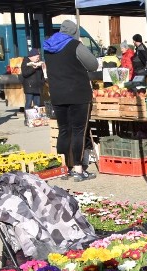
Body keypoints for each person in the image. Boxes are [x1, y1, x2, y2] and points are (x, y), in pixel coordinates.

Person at [43, 20, 98, 182]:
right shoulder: (75, 45)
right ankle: (78, 169)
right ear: (74, 32)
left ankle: (64, 168)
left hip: (58, 95)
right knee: (79, 131)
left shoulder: (47, 47)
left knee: (64, 130)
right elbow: (93, 65)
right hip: (78, 94)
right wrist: (81, 45)